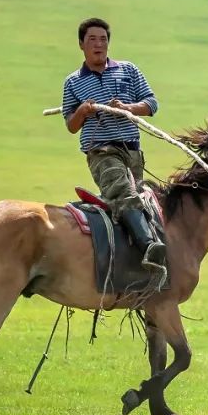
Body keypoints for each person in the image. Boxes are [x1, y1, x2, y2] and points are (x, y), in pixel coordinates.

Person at [61, 17, 165, 273]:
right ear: (81, 45)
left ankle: (131, 264)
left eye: (103, 39)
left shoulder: (128, 70)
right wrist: (83, 112)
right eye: (92, 40)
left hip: (131, 149)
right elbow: (71, 125)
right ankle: (150, 246)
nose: (99, 44)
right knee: (123, 192)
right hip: (101, 150)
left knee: (142, 201)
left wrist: (128, 108)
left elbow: (152, 104)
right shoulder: (73, 82)